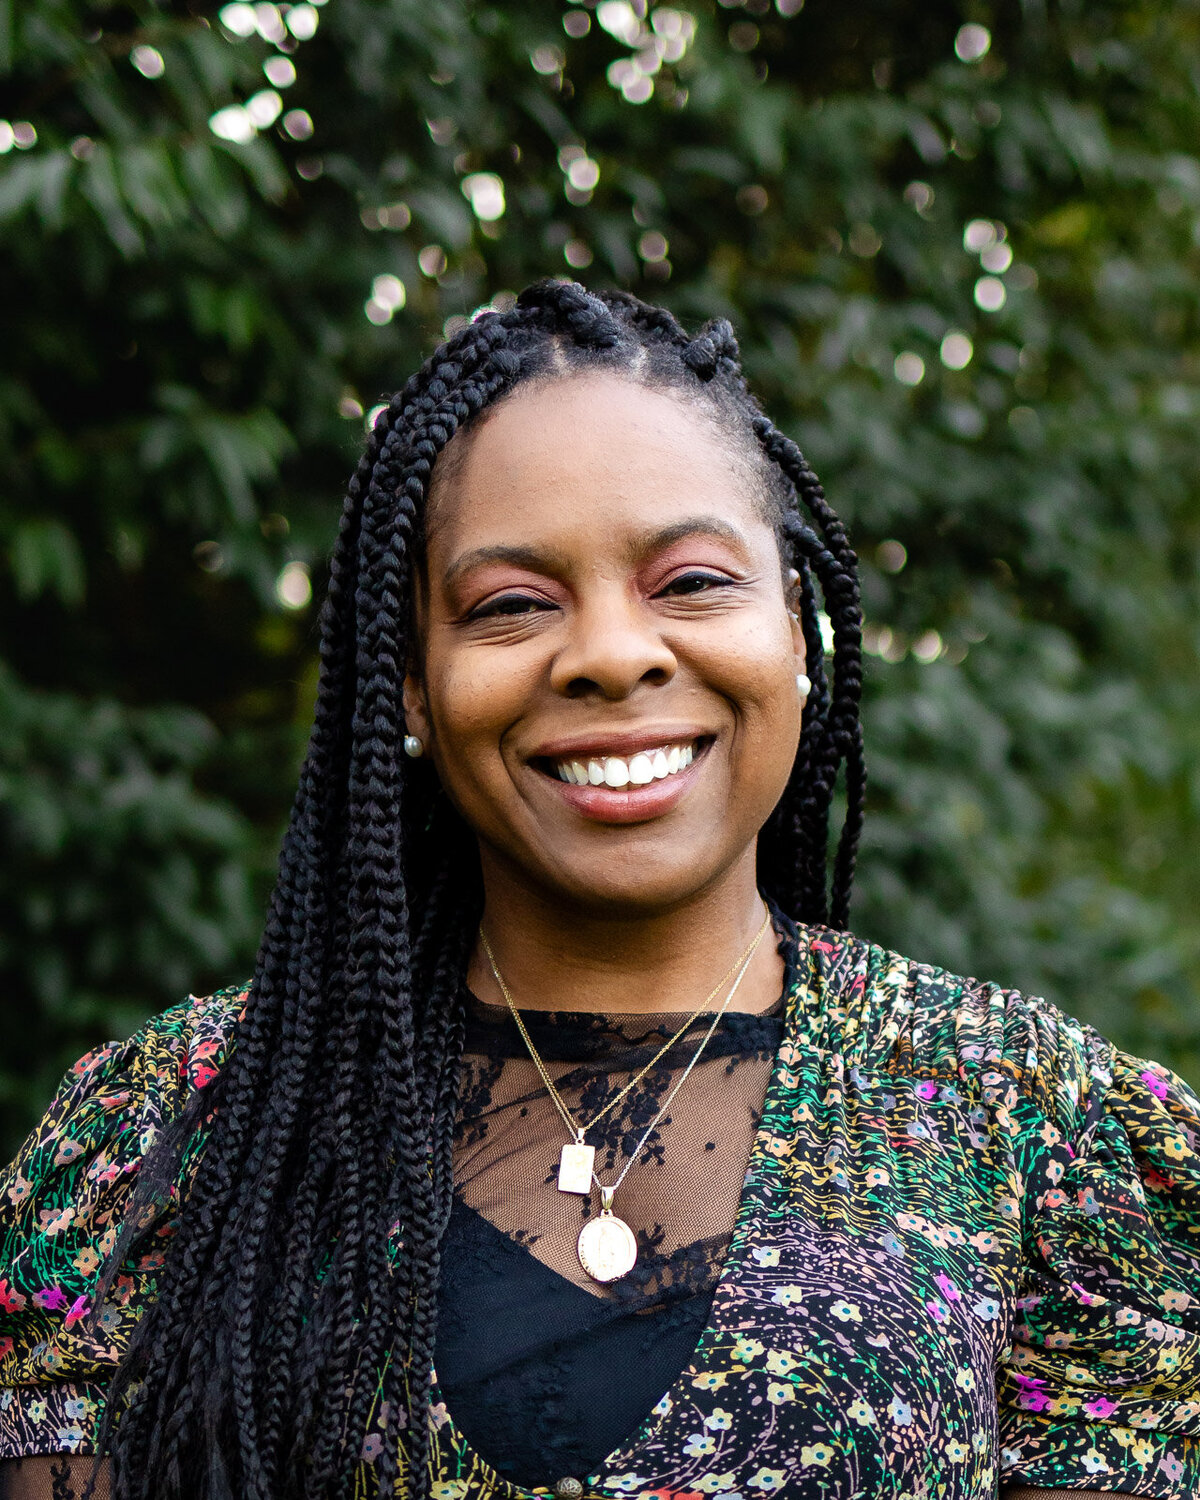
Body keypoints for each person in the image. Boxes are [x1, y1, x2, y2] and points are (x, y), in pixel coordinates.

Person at [0, 281, 1197, 1500]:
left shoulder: (1042, 1129)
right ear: (413, 683)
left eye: (690, 582)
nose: (616, 653)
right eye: (512, 604)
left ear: (794, 626)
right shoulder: (161, 1142)